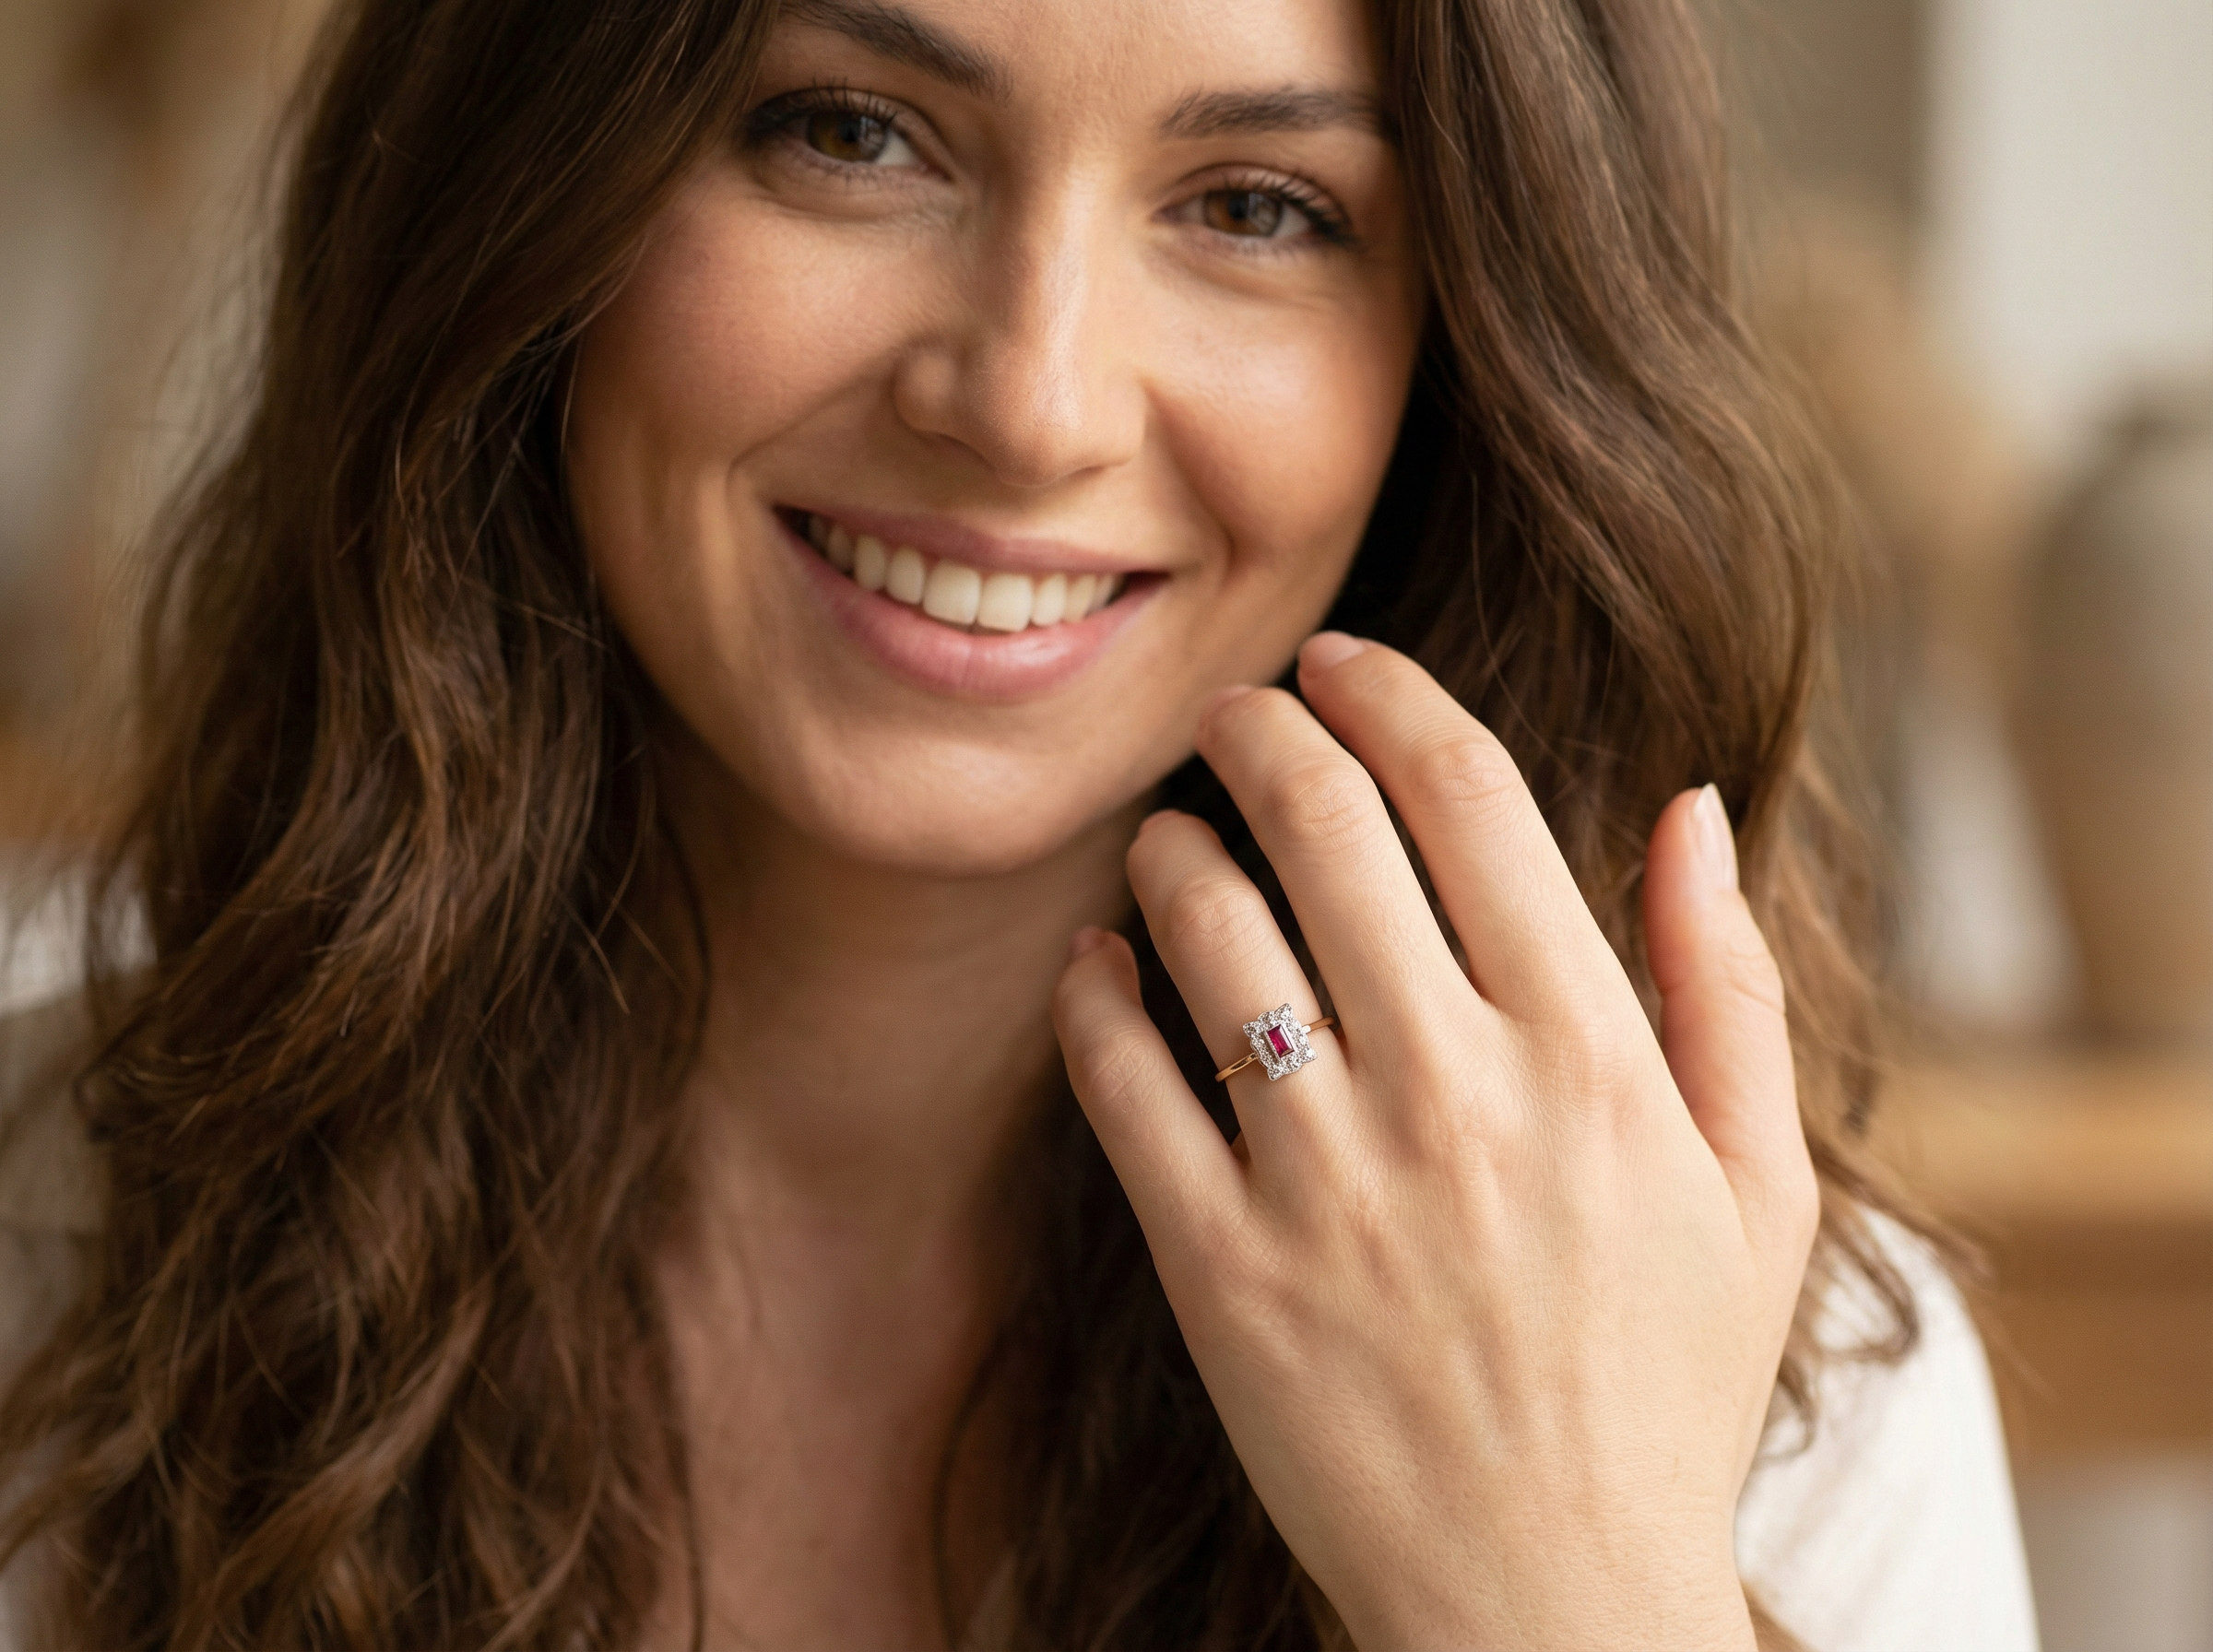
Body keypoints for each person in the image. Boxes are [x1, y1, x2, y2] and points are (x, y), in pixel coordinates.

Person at [0, 0, 2040, 1646]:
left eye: (1256, 204)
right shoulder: (49, 1252)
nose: (1032, 399)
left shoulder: (1774, 1386)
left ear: (1472, 348)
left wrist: (1567, 1596)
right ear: (526, 196)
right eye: (851, 131)